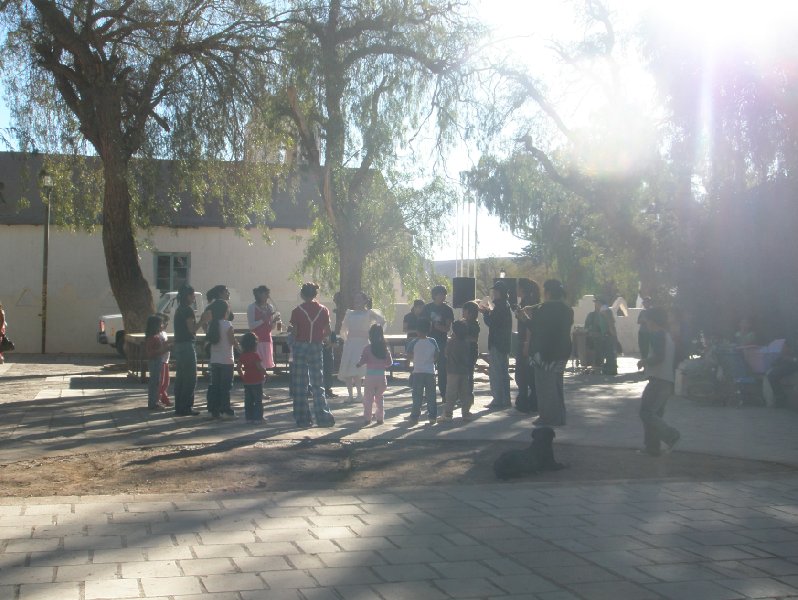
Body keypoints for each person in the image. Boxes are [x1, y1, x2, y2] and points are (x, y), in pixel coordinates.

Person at [527, 279, 573, 426]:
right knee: (557, 386)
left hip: (545, 354)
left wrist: (524, 318)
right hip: (562, 352)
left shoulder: (544, 309)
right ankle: (560, 416)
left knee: (545, 387)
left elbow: (537, 329)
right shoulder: (567, 310)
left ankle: (547, 417)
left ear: (548, 293)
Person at [288, 282, 335, 427]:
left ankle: (302, 418)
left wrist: (291, 332)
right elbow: (327, 331)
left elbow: (294, 332)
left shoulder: (297, 311)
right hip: (316, 346)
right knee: (318, 383)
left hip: (301, 346)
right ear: (316, 294)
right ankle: (323, 416)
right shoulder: (324, 310)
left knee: (300, 384)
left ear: (302, 295)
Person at [637, 307, 681, 456]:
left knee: (646, 412)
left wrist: (644, 361)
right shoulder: (668, 336)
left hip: (658, 380)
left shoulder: (657, 335)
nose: (646, 323)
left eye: (647, 319)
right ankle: (652, 448)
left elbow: (659, 357)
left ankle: (670, 435)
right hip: (667, 380)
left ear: (652, 320)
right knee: (655, 415)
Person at [337, 291, 385, 401]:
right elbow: (343, 329)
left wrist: (373, 333)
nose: (356, 301)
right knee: (349, 369)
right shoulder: (349, 313)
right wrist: (346, 340)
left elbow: (381, 321)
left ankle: (359, 394)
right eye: (355, 299)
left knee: (358, 369)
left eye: (359, 299)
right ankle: (350, 395)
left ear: (365, 301)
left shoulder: (369, 313)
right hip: (350, 343)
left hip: (362, 343)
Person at [173, 285, 206, 416]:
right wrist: (203, 320)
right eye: (192, 295)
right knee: (190, 378)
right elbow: (192, 329)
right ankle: (186, 406)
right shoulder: (188, 311)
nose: (194, 298)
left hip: (179, 345)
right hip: (187, 345)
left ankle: (179, 406)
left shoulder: (179, 309)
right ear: (188, 296)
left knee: (181, 377)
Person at [480, 281, 513, 410]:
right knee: (503, 372)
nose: (493, 293)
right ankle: (505, 399)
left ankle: (498, 399)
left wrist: (485, 313)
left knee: (496, 372)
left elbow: (492, 323)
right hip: (504, 343)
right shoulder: (506, 305)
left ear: (500, 292)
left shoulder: (499, 306)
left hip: (497, 342)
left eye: (495, 291)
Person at [206, 299, 237, 419]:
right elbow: (232, 341)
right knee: (226, 387)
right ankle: (226, 409)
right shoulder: (227, 324)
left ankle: (215, 409)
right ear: (225, 311)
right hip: (227, 359)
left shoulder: (211, 325)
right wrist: (239, 347)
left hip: (215, 359)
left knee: (215, 386)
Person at [356, 324, 393, 425]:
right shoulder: (385, 349)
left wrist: (358, 364)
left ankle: (367, 418)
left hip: (370, 377)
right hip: (381, 377)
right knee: (379, 397)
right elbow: (389, 363)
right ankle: (380, 418)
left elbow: (362, 360)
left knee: (368, 398)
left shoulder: (367, 348)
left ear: (370, 335)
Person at [438, 320, 474, 422]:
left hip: (452, 370)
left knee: (451, 393)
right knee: (464, 393)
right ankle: (465, 413)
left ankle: (448, 413)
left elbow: (446, 353)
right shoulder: (467, 343)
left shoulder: (451, 342)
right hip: (464, 371)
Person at [423, 285, 454, 398]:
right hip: (428, 341)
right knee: (428, 367)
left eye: (444, 294)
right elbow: (423, 325)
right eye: (440, 294)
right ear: (434, 295)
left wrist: (437, 326)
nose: (442, 296)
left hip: (441, 341)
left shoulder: (447, 310)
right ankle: (428, 393)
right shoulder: (427, 308)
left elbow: (447, 328)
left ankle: (444, 392)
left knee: (442, 368)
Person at [514, 278, 541, 413]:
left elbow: (529, 326)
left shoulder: (528, 304)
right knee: (525, 374)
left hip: (525, 341)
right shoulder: (526, 303)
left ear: (522, 289)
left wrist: (526, 343)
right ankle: (528, 400)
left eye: (518, 287)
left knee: (523, 374)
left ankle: (527, 401)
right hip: (525, 341)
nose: (516, 289)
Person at [406, 318, 439, 425]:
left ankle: (415, 417)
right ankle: (432, 416)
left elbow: (409, 355)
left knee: (417, 396)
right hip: (430, 372)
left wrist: (415, 360)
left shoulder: (414, 342)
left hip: (418, 372)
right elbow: (437, 354)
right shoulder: (432, 341)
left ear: (417, 330)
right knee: (431, 396)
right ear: (429, 329)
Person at [247, 285, 279, 372]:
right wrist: (263, 319)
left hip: (267, 339)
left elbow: (271, 327)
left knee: (264, 364)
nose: (267, 296)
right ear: (258, 295)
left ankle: (262, 380)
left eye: (267, 294)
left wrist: (274, 321)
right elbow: (251, 326)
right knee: (257, 364)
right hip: (256, 340)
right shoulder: (252, 307)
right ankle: (257, 380)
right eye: (265, 294)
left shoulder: (270, 307)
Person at [238, 332, 267, 424]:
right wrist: (266, 373)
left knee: (248, 401)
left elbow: (238, 368)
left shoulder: (242, 356)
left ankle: (249, 418)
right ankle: (258, 418)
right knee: (258, 400)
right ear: (255, 344)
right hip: (257, 381)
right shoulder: (255, 356)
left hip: (247, 381)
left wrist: (243, 376)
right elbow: (259, 367)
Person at [144, 314, 172, 410]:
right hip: (155, 361)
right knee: (155, 382)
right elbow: (151, 353)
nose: (162, 326)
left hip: (158, 361)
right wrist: (164, 349)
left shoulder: (156, 336)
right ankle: (153, 402)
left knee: (158, 382)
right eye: (160, 324)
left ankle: (155, 401)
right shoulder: (152, 338)